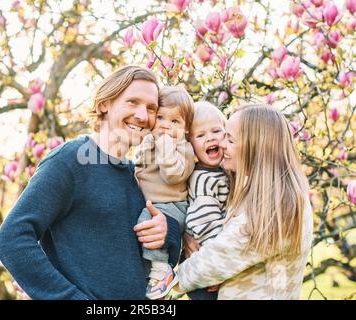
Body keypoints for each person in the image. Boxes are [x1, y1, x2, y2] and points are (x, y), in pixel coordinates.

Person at [0, 65, 181, 300]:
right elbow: (11, 239)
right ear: (105, 104)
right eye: (132, 102)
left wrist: (168, 232)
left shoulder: (140, 175)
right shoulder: (69, 160)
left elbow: (156, 259)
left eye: (151, 108)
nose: (143, 116)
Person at [172, 104, 313, 300]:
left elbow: (214, 262)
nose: (221, 144)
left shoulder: (278, 206)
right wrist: (189, 236)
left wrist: (166, 280)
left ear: (255, 146)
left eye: (229, 139)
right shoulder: (253, 191)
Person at [134, 85, 195, 299]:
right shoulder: (150, 141)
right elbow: (140, 168)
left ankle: (161, 272)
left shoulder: (184, 149)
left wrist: (165, 146)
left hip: (173, 206)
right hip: (155, 203)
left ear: (187, 128)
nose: (166, 126)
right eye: (160, 118)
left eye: (175, 121)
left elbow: (173, 175)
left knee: (147, 222)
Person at [182, 101, 230, 300]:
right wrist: (216, 267)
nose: (210, 137)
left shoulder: (221, 172)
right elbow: (205, 223)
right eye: (200, 135)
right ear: (191, 145)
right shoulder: (203, 179)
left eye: (216, 131)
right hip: (207, 265)